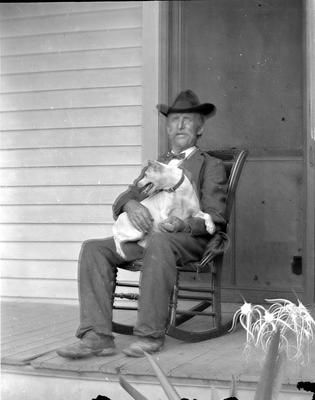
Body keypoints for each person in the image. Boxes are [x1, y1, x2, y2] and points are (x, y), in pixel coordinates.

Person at [57, 89, 227, 359]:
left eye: (187, 119)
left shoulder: (211, 165)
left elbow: (216, 217)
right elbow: (127, 196)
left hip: (188, 240)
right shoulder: (157, 165)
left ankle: (149, 335)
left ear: (200, 127)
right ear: (167, 127)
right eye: (174, 120)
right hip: (148, 239)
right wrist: (131, 205)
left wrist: (181, 226)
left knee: (160, 241)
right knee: (93, 249)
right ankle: (96, 336)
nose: (180, 125)